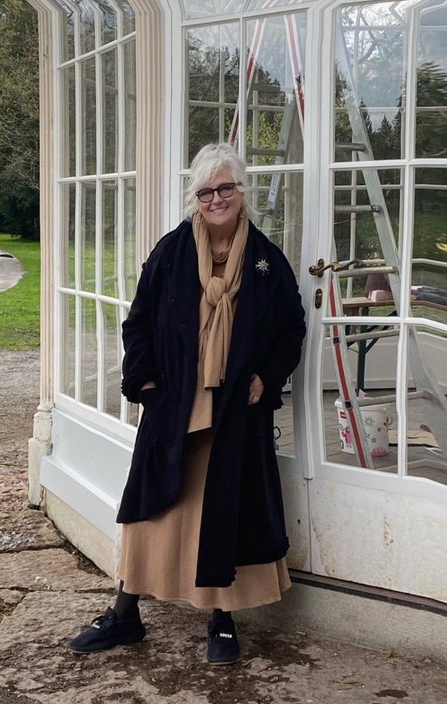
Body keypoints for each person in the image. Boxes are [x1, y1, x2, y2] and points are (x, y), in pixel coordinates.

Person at [69, 143, 306, 664]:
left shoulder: (266, 260)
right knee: (150, 509)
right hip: (175, 405)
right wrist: (146, 386)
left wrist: (266, 376)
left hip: (234, 413)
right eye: (205, 190)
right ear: (195, 198)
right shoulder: (172, 251)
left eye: (225, 188)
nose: (216, 198)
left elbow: (292, 329)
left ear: (241, 193)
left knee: (222, 512)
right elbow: (139, 322)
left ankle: (222, 621)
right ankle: (125, 614)